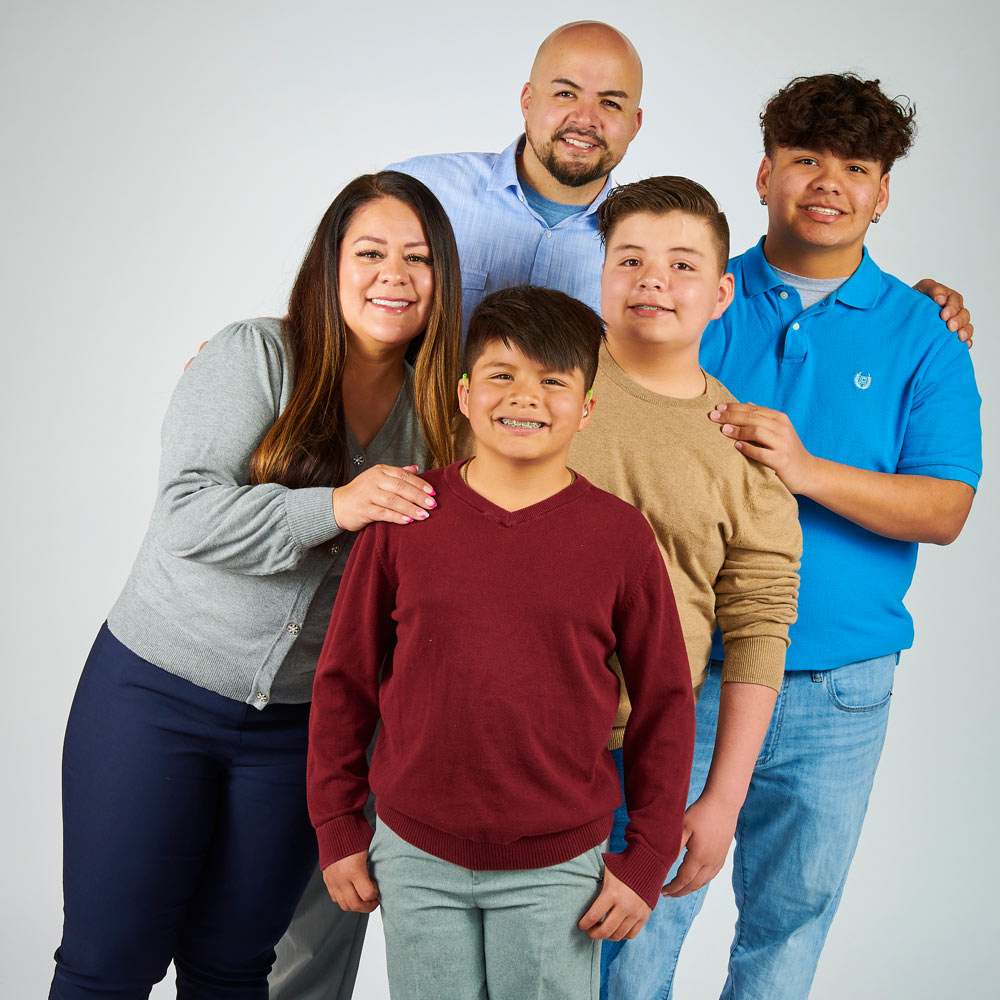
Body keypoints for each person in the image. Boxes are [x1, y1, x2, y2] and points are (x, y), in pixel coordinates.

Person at [607, 73, 983, 1000]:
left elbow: (945, 509)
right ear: (766, 172)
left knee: (789, 924)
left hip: (839, 690)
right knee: (634, 912)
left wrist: (807, 470)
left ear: (883, 191)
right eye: (806, 159)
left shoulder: (924, 333)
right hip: (679, 670)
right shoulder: (696, 292)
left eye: (856, 167)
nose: (828, 183)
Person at [49, 171, 462, 998]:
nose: (395, 274)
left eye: (418, 258)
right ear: (330, 264)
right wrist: (336, 506)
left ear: (442, 280)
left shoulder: (442, 411)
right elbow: (186, 516)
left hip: (300, 734)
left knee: (236, 971)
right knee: (109, 965)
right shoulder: (255, 354)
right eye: (370, 252)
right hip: (155, 695)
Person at [307, 285, 696, 1000]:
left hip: (557, 866)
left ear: (586, 408)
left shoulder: (619, 537)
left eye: (553, 380)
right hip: (414, 853)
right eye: (501, 374)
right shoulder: (405, 516)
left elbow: (666, 703)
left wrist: (647, 857)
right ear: (462, 394)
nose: (525, 397)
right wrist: (336, 826)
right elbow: (345, 682)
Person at [561, 175, 801, 996]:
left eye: (682, 265)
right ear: (600, 276)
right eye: (629, 259)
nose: (653, 280)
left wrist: (723, 798)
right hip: (497, 738)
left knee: (621, 980)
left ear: (723, 290)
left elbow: (762, 627)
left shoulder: (747, 454)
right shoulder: (537, 385)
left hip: (639, 758)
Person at [386, 20, 972, 344]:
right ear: (527, 99)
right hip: (398, 472)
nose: (585, 119)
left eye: (610, 102)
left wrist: (912, 306)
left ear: (635, 124)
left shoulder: (645, 255)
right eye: (565, 93)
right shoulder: (419, 192)